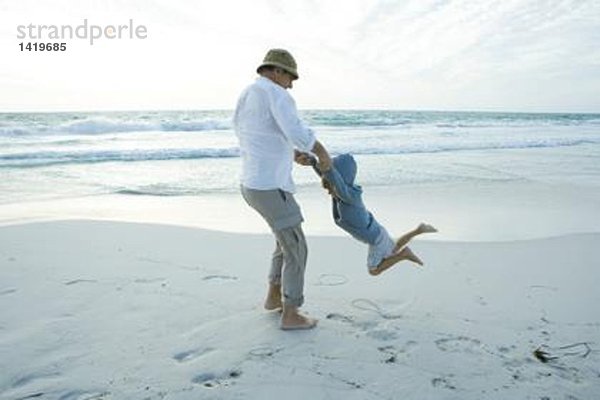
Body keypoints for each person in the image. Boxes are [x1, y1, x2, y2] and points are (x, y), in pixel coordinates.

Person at [233, 48, 332, 330]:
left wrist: (289, 154)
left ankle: (273, 297)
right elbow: (297, 130)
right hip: (270, 186)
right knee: (297, 248)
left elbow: (256, 135)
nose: (292, 83)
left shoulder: (248, 94)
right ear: (277, 71)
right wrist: (322, 154)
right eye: (291, 76)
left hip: (251, 184)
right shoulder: (278, 94)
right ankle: (291, 312)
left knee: (283, 241)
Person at [299, 152, 437, 275]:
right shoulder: (343, 194)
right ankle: (418, 230)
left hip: (375, 238)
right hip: (377, 231)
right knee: (393, 249)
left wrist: (322, 161)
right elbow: (330, 178)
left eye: (330, 188)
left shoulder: (349, 196)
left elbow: (334, 179)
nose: (329, 192)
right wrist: (313, 163)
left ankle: (404, 254)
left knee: (374, 270)